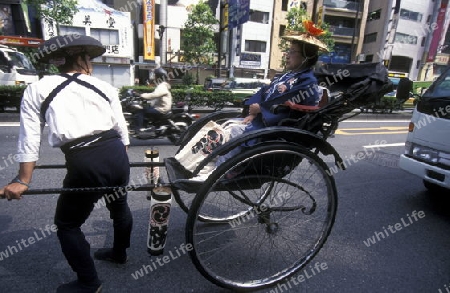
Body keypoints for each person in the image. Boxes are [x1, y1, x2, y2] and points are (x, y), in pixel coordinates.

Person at [0, 34, 133, 293]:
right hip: (117, 154)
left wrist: (22, 180)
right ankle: (119, 254)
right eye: (88, 58)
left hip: (84, 161)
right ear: (80, 58)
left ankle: (89, 282)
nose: (91, 63)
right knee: (119, 205)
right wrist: (117, 165)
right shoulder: (104, 87)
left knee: (67, 224)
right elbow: (122, 132)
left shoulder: (38, 89)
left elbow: (30, 138)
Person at [215, 23, 329, 167]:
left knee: (235, 131)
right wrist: (253, 112)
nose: (287, 56)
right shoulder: (287, 75)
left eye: (292, 52)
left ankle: (220, 170)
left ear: (306, 57)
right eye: (288, 51)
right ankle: (207, 163)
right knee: (225, 126)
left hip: (278, 126)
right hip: (262, 120)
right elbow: (265, 91)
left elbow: (286, 103)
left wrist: (261, 109)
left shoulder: (307, 81)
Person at [134, 67, 172, 133]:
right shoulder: (162, 85)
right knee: (146, 107)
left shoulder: (162, 86)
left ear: (159, 76)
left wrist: (141, 95)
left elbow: (154, 95)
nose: (154, 77)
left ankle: (138, 129)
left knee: (141, 111)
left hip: (161, 109)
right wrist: (142, 94)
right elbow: (154, 95)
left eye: (155, 75)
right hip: (160, 106)